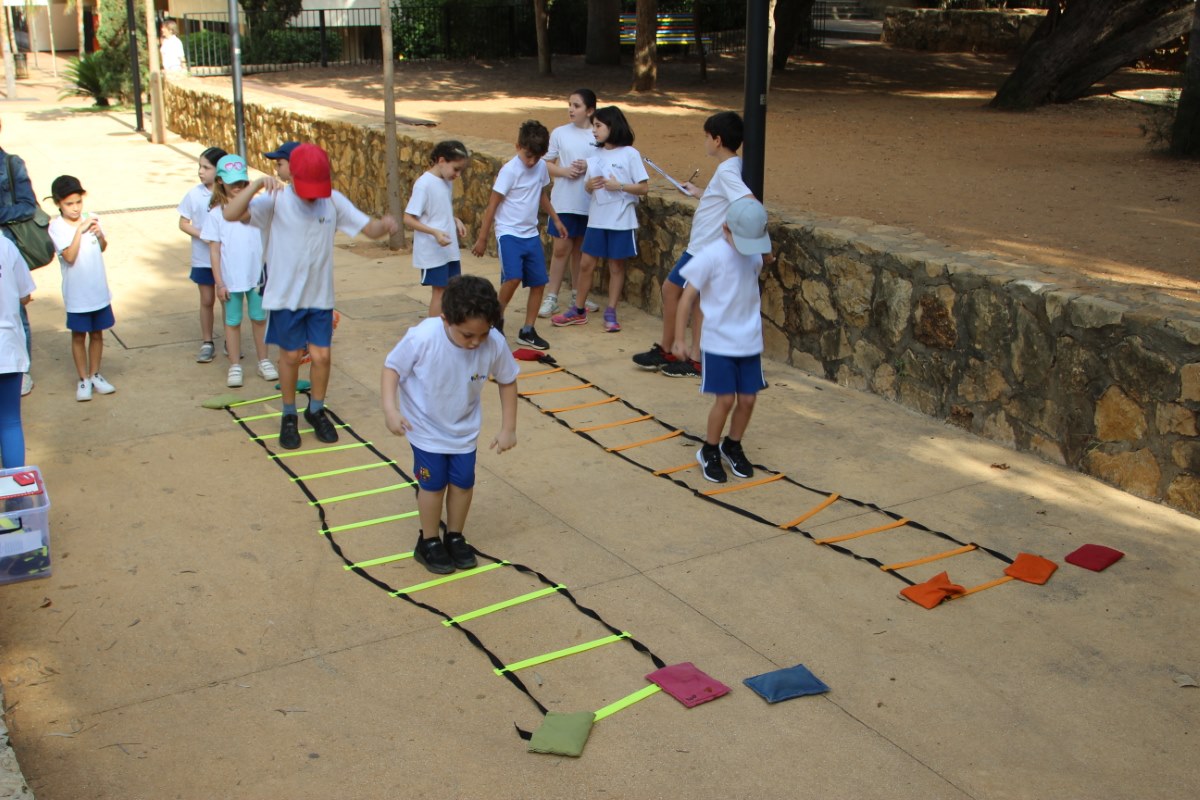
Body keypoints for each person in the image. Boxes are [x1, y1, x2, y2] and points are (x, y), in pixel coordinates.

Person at [223, 143, 398, 450]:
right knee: (290, 357)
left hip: (320, 296)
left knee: (322, 356)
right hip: (286, 298)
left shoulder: (332, 200)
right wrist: (254, 186)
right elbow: (230, 213)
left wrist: (382, 226)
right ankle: (288, 414)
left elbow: (367, 229)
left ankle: (315, 409)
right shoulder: (275, 201)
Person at [380, 275, 518, 575]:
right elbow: (392, 368)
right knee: (433, 484)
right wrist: (391, 409)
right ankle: (428, 541)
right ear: (446, 319)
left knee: (463, 482)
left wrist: (509, 427)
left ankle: (454, 536)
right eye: (468, 335)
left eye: (482, 334)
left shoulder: (492, 342)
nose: (476, 343)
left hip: (463, 430)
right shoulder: (423, 337)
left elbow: (507, 380)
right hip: (425, 427)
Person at [634, 111, 756, 379]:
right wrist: (699, 192)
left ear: (717, 140)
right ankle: (692, 357)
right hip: (703, 247)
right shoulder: (731, 167)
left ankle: (676, 351)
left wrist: (733, 231)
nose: (705, 141)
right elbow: (724, 199)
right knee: (697, 301)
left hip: (704, 248)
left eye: (707, 137)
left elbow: (748, 202)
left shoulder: (728, 172)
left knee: (671, 289)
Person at [672, 197, 772, 484]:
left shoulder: (753, 253)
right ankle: (710, 449)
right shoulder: (711, 255)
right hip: (718, 342)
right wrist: (680, 338)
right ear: (725, 228)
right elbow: (687, 297)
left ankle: (733, 444)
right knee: (726, 399)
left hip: (749, 340)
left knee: (749, 398)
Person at [551, 105, 648, 333]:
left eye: (598, 126)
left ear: (612, 127)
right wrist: (588, 185)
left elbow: (643, 188)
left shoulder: (630, 154)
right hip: (597, 219)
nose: (594, 130)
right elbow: (588, 187)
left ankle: (611, 310)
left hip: (620, 220)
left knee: (616, 265)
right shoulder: (594, 154)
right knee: (586, 264)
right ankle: (578, 309)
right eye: (594, 126)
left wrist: (620, 186)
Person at [472, 120, 566, 350]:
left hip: (530, 233)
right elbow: (493, 205)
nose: (532, 161)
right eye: (528, 155)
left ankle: (528, 329)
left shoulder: (541, 167)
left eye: (537, 156)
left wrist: (555, 218)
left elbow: (541, 194)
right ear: (518, 147)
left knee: (539, 282)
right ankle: (494, 318)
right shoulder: (510, 170)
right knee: (513, 278)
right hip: (509, 233)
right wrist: (483, 237)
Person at [201, 154, 277, 388]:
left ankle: (264, 361)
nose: (238, 187)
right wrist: (219, 282)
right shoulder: (216, 215)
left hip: (256, 276)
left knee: (259, 318)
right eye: (233, 183)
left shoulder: (257, 209)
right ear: (221, 181)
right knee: (232, 321)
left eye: (242, 183)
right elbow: (214, 251)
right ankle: (235, 364)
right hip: (231, 279)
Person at [48, 176, 115, 403]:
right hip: (77, 294)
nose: (75, 208)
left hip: (97, 288)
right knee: (79, 335)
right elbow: (69, 256)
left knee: (97, 333)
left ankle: (95, 373)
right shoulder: (56, 227)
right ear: (59, 203)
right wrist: (80, 231)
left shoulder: (92, 218)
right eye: (69, 204)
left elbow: (102, 247)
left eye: (78, 202)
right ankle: (83, 378)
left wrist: (99, 234)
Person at [539, 88, 599, 319]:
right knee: (561, 249)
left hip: (588, 202)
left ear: (590, 110)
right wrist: (564, 171)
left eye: (576, 106)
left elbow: (604, 164)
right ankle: (552, 296)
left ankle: (578, 295)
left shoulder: (597, 136)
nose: (571, 110)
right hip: (564, 201)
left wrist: (588, 167)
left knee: (580, 251)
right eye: (570, 105)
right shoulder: (559, 133)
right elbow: (545, 163)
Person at [403, 140, 469, 318]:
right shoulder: (424, 185)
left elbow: (438, 209)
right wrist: (434, 232)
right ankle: (434, 332)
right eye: (456, 169)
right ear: (441, 161)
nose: (457, 174)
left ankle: (445, 329)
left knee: (451, 290)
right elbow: (408, 218)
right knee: (440, 292)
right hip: (433, 248)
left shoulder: (446, 181)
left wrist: (455, 220)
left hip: (448, 246)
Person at [178, 146, 227, 364]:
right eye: (200, 166)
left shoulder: (228, 194)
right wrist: (204, 235)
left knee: (227, 300)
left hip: (225, 258)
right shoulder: (194, 194)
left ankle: (230, 341)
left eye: (206, 167)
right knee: (206, 299)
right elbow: (183, 223)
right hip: (203, 259)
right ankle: (207, 342)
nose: (201, 171)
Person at [0, 120, 37, 397]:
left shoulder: (11, 164)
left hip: (7, 247)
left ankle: (21, 368)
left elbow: (27, 206)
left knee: (14, 308)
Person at [0, 235, 34, 466]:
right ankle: (15, 499)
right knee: (10, 421)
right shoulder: (5, 245)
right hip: (7, 345)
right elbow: (25, 295)